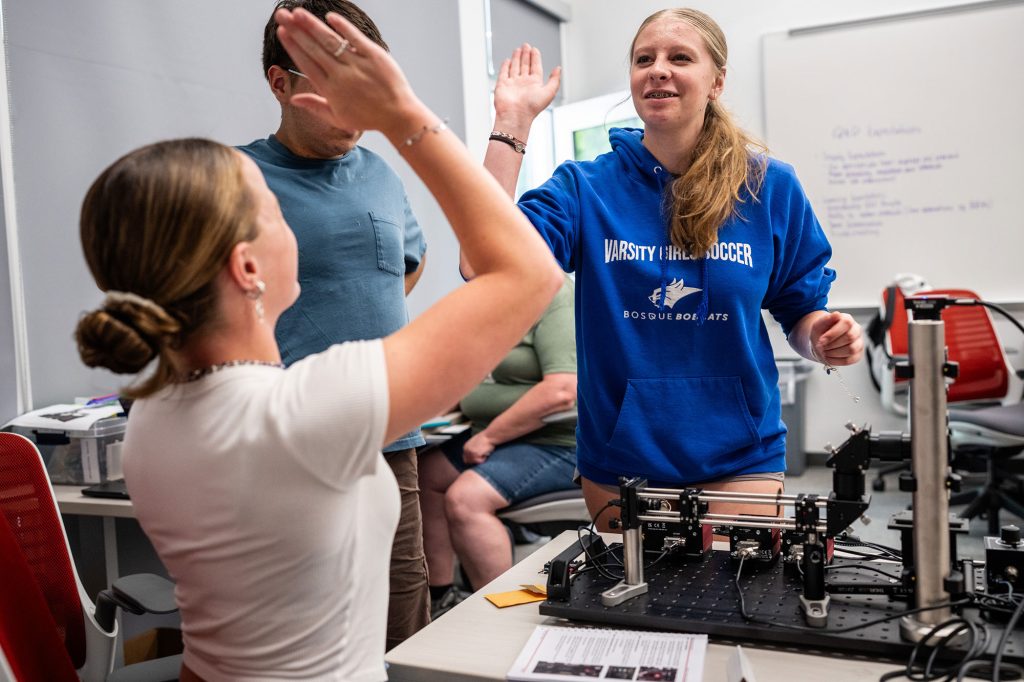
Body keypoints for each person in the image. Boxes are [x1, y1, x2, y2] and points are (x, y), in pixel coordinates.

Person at [73, 8, 563, 681]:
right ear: (248, 270)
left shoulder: (151, 417)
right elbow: (528, 272)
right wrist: (402, 112)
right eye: (276, 213)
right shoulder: (304, 414)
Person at [469, 10, 864, 529]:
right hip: (621, 458)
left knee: (732, 601)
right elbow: (482, 264)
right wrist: (512, 124)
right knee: (624, 605)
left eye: (680, 57)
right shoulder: (586, 189)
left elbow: (801, 311)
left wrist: (823, 339)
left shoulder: (769, 188)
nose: (658, 69)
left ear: (716, 81)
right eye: (643, 59)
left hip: (739, 455)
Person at [237, 0, 431, 648]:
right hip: (293, 442)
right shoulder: (238, 179)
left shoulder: (379, 173)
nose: (350, 110)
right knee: (309, 624)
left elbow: (409, 263)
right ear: (279, 83)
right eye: (327, 84)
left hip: (390, 438)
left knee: (403, 611)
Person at [419, 275, 576, 612]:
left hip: (557, 442)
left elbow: (563, 390)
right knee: (426, 473)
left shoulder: (552, 291)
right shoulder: (490, 296)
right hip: (498, 435)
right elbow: (471, 376)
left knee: (466, 499)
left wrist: (489, 437)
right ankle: (440, 596)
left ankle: (499, 609)